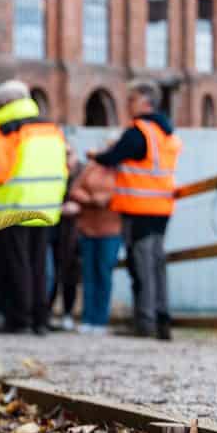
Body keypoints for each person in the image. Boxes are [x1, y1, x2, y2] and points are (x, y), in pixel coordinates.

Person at [0, 80, 68, 336]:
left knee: (16, 265)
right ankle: (40, 318)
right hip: (46, 206)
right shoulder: (51, 129)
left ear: (3, 104)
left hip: (13, 206)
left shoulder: (8, 130)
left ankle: (19, 318)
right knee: (38, 265)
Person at [89, 79, 182, 340]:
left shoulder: (139, 131)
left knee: (141, 265)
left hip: (139, 206)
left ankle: (145, 322)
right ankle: (162, 318)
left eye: (130, 100)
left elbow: (113, 157)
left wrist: (95, 155)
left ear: (144, 101)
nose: (127, 106)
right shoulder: (167, 133)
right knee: (156, 262)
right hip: (162, 206)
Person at [63, 155, 122, 335]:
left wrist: (105, 198)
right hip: (88, 228)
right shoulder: (92, 167)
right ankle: (87, 318)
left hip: (111, 229)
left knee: (104, 273)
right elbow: (75, 189)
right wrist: (92, 199)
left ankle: (100, 319)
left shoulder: (122, 170)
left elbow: (124, 191)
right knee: (88, 274)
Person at [49, 150, 82, 332]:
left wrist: (79, 205)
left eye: (69, 154)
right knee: (51, 274)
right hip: (54, 230)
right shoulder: (54, 173)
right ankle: (47, 311)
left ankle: (68, 313)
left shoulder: (81, 173)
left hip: (74, 233)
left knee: (70, 275)